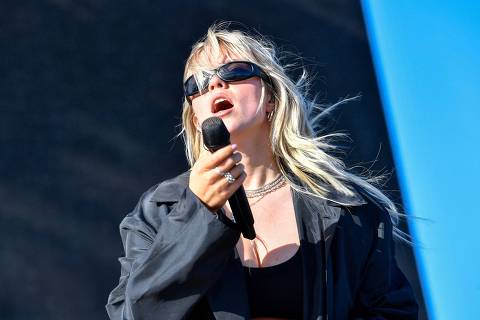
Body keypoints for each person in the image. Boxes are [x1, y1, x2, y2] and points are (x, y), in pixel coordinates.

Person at [106, 22, 418, 320]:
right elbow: (133, 313)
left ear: (270, 98)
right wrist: (197, 213)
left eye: (235, 71)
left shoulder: (348, 209)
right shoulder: (159, 210)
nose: (215, 83)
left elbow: (391, 311)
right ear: (195, 117)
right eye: (198, 85)